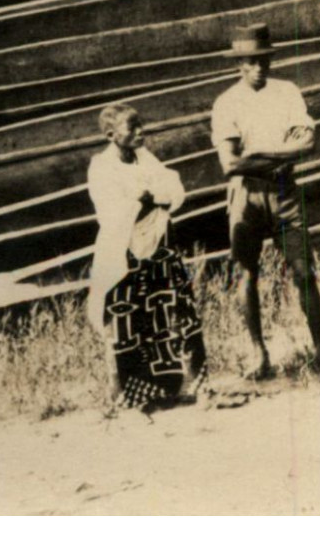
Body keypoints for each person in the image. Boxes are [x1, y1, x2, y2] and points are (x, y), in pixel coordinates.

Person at [211, 23, 320, 377]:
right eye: (251, 61)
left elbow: (309, 144)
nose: (259, 67)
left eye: (264, 59)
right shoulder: (226, 102)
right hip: (246, 194)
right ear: (239, 64)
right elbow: (230, 163)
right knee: (247, 273)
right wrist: (283, 152)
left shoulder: (287, 92)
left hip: (284, 191)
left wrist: (262, 152)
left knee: (304, 271)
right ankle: (258, 352)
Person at [87, 102, 206, 411]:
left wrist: (151, 198)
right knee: (127, 321)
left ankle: (182, 386)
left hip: (159, 245)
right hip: (124, 252)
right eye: (132, 129)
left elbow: (172, 188)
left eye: (142, 126)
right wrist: (144, 201)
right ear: (112, 135)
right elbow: (110, 210)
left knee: (174, 311)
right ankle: (134, 395)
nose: (141, 133)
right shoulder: (101, 166)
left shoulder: (145, 158)